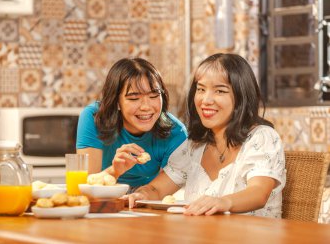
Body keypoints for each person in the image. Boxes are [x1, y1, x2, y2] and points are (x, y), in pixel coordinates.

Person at [123, 53, 286, 218]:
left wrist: (223, 202)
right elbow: (156, 189)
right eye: (201, 89)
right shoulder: (194, 146)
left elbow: (258, 193)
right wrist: (141, 194)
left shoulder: (263, 137)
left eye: (220, 91)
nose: (206, 100)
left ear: (241, 97)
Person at [76, 57, 187, 190]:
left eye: (153, 96)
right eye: (134, 98)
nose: (146, 106)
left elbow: (159, 190)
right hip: (104, 198)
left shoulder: (176, 132)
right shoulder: (94, 117)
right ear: (116, 102)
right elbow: (86, 188)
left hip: (145, 200)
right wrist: (115, 171)